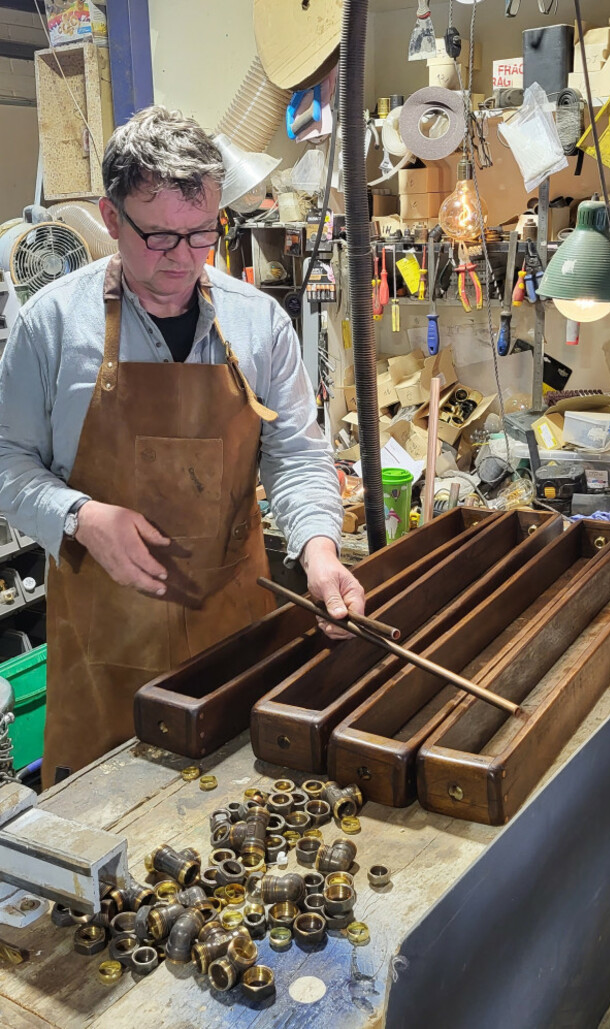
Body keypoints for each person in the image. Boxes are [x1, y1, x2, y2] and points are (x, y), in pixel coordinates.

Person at [0, 106, 365, 787]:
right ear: (112, 219)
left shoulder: (257, 321)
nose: (184, 260)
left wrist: (319, 547)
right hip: (102, 651)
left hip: (233, 641)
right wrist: (80, 515)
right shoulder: (51, 325)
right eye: (160, 237)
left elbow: (296, 453)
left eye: (202, 234)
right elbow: (6, 461)